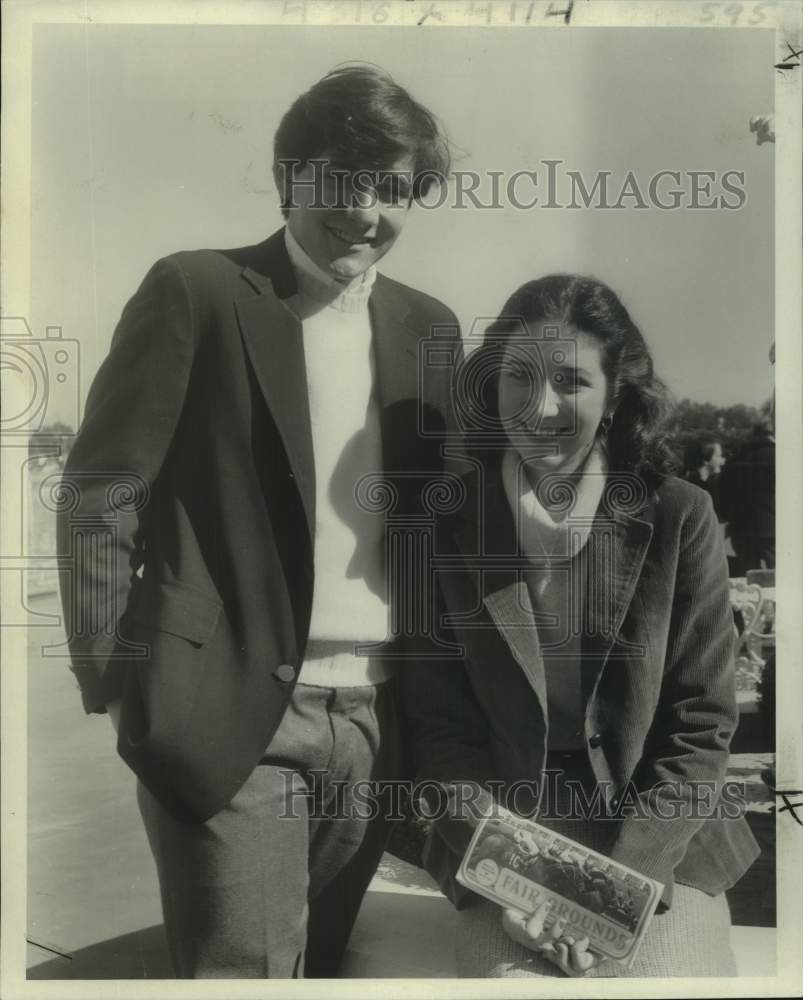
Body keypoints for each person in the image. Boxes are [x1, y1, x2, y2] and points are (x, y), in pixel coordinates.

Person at [57, 64, 460, 979]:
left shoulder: (428, 326)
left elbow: (443, 522)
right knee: (241, 977)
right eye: (343, 179)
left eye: (394, 188)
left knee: (321, 971)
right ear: (288, 178)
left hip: (375, 718)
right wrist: (122, 680)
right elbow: (101, 491)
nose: (366, 210)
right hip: (231, 713)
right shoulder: (196, 292)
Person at [402, 275, 760, 977]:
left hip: (661, 836)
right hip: (506, 830)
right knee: (510, 985)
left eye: (569, 381)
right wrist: (507, 875)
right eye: (517, 378)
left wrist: (606, 899)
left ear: (614, 395)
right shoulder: (447, 522)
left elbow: (698, 725)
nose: (539, 409)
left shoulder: (677, 514)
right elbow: (439, 732)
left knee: (656, 982)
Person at [719, 418, 775, 576]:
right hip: (773, 528)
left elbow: (723, 495)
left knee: (747, 581)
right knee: (782, 579)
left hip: (741, 528)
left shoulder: (734, 459)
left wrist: (727, 518)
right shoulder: (780, 456)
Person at [682, 438, 725, 520]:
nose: (722, 461)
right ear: (706, 459)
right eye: (718, 456)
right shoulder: (695, 489)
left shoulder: (711, 484)